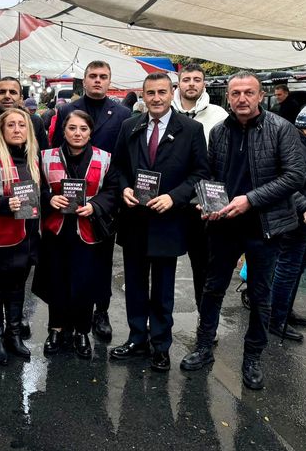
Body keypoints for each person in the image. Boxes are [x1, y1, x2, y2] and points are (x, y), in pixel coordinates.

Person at [179, 71, 306, 390]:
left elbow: (294, 176)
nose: (242, 99)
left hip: (265, 226)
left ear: (260, 96)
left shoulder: (281, 129)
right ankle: (204, 346)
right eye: (235, 94)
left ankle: (252, 358)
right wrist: (204, 201)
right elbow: (209, 174)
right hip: (224, 224)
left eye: (248, 93)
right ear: (228, 97)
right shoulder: (220, 131)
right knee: (213, 288)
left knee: (261, 295)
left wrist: (250, 200)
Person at [109, 72, 209, 372]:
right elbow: (118, 167)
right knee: (135, 285)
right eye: (150, 93)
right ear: (143, 95)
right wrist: (125, 187)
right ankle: (137, 338)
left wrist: (175, 198)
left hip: (168, 220)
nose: (156, 98)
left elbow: (200, 173)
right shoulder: (130, 126)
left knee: (163, 288)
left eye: (161, 92)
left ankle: (161, 345)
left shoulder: (190, 129)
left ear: (172, 93)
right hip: (135, 219)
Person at [51, 60, 132, 342]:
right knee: (67, 262)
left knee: (101, 260)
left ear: (110, 81)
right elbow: (53, 152)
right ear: (83, 80)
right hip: (66, 203)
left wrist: (111, 198)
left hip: (103, 202)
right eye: (93, 76)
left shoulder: (123, 114)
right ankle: (66, 317)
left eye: (103, 77)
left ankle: (102, 311)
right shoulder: (65, 111)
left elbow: (124, 158)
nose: (98, 81)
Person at [33, 109, 119, 359]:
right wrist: (50, 198)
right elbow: (35, 187)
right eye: (72, 128)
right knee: (56, 281)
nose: (77, 133)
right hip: (56, 231)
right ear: (64, 131)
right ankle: (56, 329)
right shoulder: (45, 156)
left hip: (89, 230)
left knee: (85, 283)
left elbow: (113, 190)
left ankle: (82, 331)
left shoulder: (105, 158)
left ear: (90, 131)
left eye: (83, 128)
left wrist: (96, 205)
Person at [0, 108, 41, 365]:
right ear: (1, 129)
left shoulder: (32, 157)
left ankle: (14, 336)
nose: (16, 129)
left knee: (16, 288)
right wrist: (4, 204)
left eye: (21, 125)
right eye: (10, 125)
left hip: (26, 235)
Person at [268, 105, 306, 342]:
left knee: (297, 269)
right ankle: (276, 319)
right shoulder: (298, 151)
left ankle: (285, 311)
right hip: (295, 221)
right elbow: (284, 184)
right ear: (305, 130)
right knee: (287, 270)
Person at [171, 63, 228, 309]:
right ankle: (158, 319)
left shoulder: (219, 115)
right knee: (162, 263)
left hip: (202, 203)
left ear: (203, 83)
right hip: (170, 198)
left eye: (196, 79)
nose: (191, 84)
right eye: (187, 79)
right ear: (179, 84)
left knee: (203, 264)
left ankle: (205, 319)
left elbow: (225, 160)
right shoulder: (165, 113)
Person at [0, 76, 47, 150]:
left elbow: (44, 154)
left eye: (13, 92)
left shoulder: (35, 122)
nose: (7, 96)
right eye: (2, 92)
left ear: (21, 99)